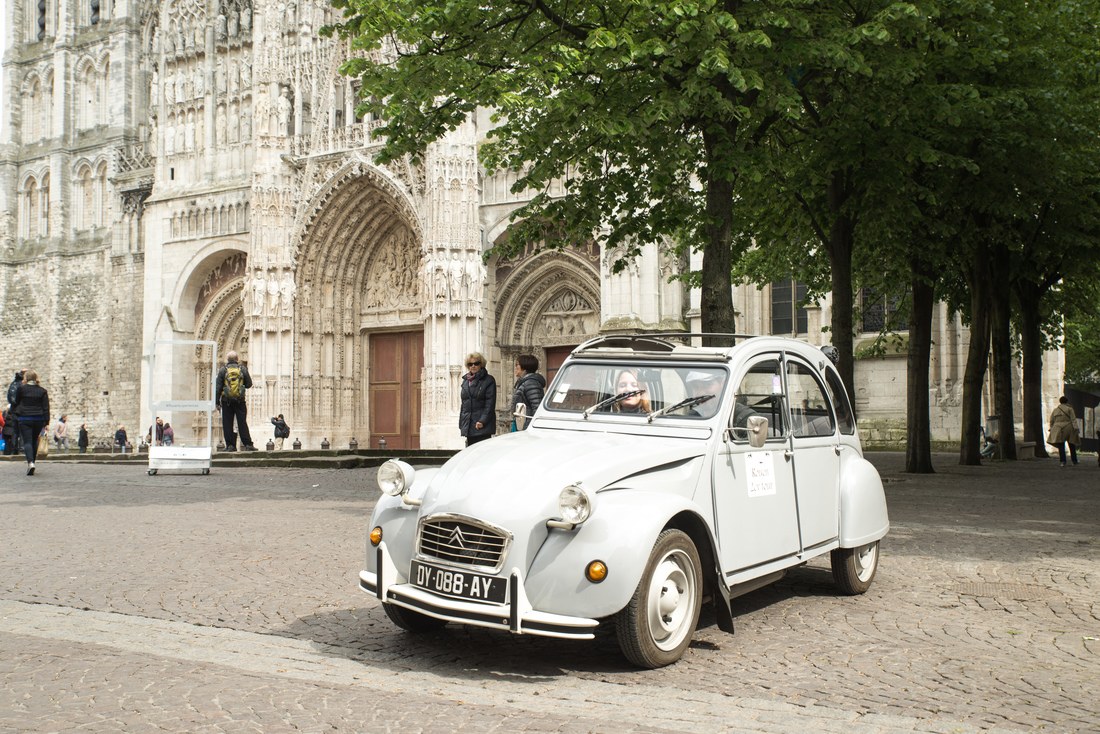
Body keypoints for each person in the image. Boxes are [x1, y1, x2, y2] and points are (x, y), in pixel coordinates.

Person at [215, 350, 256, 451]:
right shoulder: (242, 369)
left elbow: (218, 388)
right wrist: (240, 387)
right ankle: (248, 444)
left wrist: (217, 402)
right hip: (240, 400)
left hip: (226, 401)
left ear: (227, 360)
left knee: (227, 423)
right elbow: (249, 384)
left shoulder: (222, 370)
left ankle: (230, 446)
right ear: (237, 359)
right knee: (242, 422)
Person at [12, 369, 50, 475]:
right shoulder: (42, 391)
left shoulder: (21, 389)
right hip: (38, 418)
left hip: (25, 418)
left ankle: (31, 463)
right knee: (34, 441)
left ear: (26, 378)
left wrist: (16, 413)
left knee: (27, 441)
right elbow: (46, 407)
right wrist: (47, 422)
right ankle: (32, 462)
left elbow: (16, 401)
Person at [459, 351, 496, 446]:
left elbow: (490, 403)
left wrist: (482, 420)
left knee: (482, 452)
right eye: (470, 364)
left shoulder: (488, 380)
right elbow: (464, 404)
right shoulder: (465, 382)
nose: (473, 366)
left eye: (476, 363)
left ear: (481, 364)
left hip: (482, 424)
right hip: (469, 423)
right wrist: (462, 423)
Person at [511, 354, 545, 430]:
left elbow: (537, 408)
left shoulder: (531, 383)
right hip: (520, 424)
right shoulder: (524, 382)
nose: (515, 367)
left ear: (524, 367)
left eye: (517, 365)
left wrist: (528, 428)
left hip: (526, 427)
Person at [1047, 396, 1079, 467]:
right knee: (1071, 444)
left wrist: (1051, 428)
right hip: (1068, 427)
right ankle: (1074, 461)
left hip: (1058, 428)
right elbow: (1073, 419)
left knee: (1061, 445)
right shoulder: (1070, 409)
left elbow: (1052, 420)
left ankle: (1063, 461)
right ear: (1067, 401)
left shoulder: (1055, 410)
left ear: (1060, 401)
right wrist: (1076, 428)